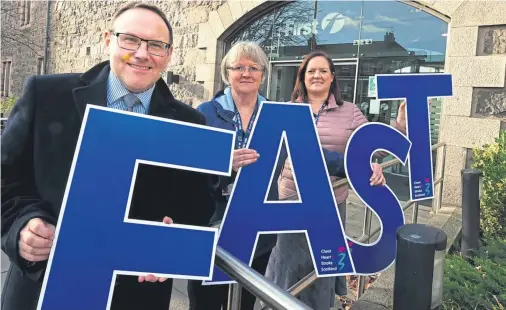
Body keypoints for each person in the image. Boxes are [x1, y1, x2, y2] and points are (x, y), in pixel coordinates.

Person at [1, 2, 216, 310]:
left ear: (168, 55)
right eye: (130, 39)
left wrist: (172, 240)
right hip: (45, 286)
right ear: (108, 40)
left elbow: (198, 207)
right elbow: (6, 177)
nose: (142, 53)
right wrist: (22, 225)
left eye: (156, 45)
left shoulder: (189, 123)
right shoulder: (47, 95)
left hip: (137, 294)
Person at [264, 50, 406, 310]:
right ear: (302, 78)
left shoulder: (350, 112)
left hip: (331, 201)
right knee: (287, 263)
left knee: (323, 263)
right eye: (311, 71)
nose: (316, 75)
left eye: (323, 71)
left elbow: (371, 147)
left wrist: (397, 130)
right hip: (291, 200)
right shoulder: (287, 110)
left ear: (332, 78)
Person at [185, 41, 282, 310]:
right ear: (227, 73)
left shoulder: (277, 115)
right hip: (211, 221)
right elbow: (188, 166)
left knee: (245, 299)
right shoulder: (205, 113)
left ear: (263, 74)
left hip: (257, 227)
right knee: (205, 300)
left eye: (254, 67)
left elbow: (310, 152)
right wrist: (224, 163)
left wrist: (363, 163)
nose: (246, 73)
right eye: (238, 67)